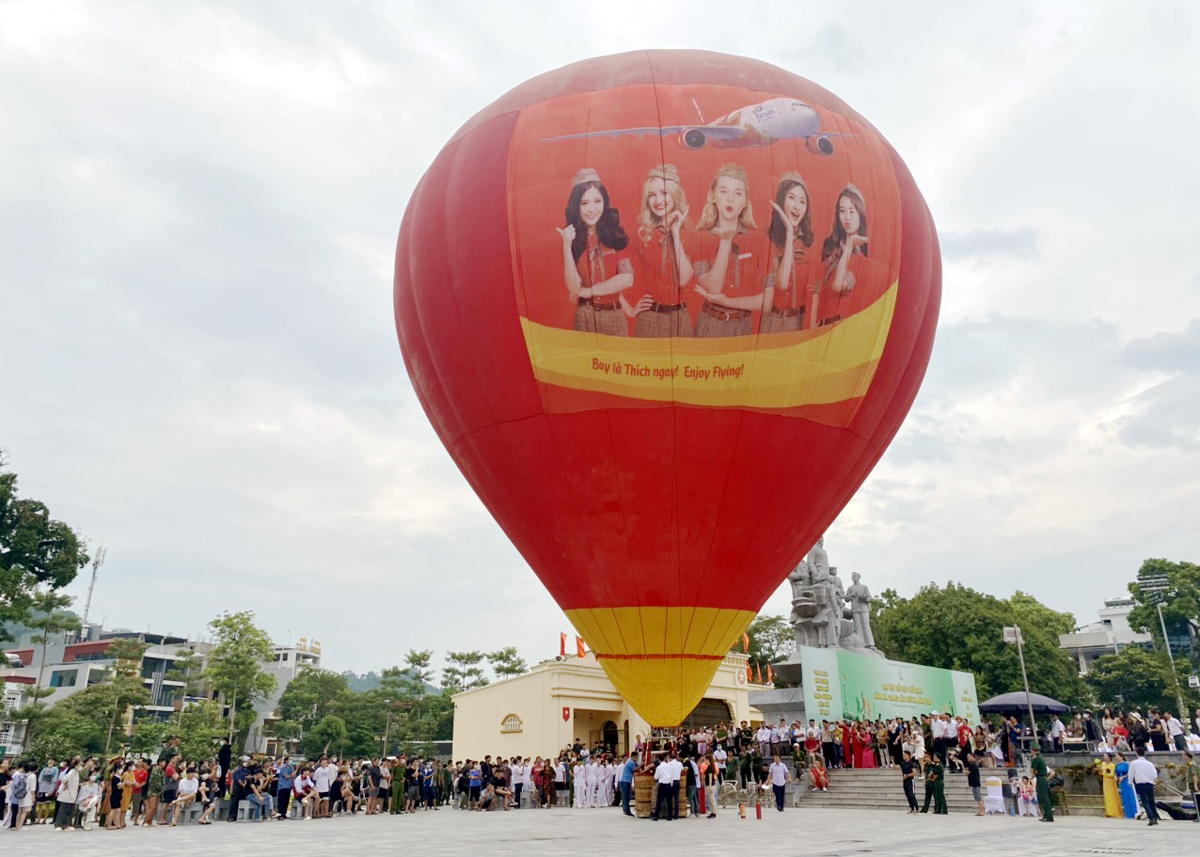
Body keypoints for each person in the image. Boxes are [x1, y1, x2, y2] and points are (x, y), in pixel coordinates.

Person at [692, 163, 769, 337]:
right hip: (710, 324)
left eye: (738, 193)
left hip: (743, 326)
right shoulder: (700, 238)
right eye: (724, 191)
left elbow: (767, 301)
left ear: (744, 202)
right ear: (712, 196)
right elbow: (713, 289)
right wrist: (725, 243)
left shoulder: (760, 240)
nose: (730, 199)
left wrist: (728, 302)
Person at [556, 168, 633, 336]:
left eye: (597, 201)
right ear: (576, 206)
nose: (592, 209)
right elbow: (575, 288)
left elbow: (627, 279)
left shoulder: (616, 235)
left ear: (604, 202)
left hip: (615, 317)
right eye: (584, 203)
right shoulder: (573, 239)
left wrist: (588, 291)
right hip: (585, 316)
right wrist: (566, 246)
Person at [628, 164, 693, 336]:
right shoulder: (643, 234)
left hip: (681, 319)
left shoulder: (688, 233)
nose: (658, 201)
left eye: (664, 193)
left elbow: (684, 279)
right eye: (652, 195)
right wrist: (629, 309)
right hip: (650, 319)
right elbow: (612, 265)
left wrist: (675, 233)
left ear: (675, 194)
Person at [815, 184, 871, 327]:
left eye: (852, 211)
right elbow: (816, 288)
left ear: (860, 214)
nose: (847, 217)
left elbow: (837, 285)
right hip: (818, 325)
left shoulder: (861, 259)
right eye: (842, 211)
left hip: (841, 328)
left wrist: (850, 245)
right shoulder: (829, 247)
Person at [1128, 746, 1159, 825]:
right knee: (1152, 801)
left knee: (1145, 802)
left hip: (1140, 784)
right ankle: (1155, 817)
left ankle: (1151, 817)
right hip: (1150, 784)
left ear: (1136, 754)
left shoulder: (1134, 763)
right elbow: (1154, 775)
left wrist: (1130, 781)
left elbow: (1131, 773)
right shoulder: (1150, 764)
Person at [53, 758, 80, 830]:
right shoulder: (71, 772)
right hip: (67, 793)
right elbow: (64, 779)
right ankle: (59, 824)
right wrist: (65, 786)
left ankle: (68, 824)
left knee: (70, 810)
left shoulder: (76, 773)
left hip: (72, 794)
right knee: (63, 810)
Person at [1030, 744, 1053, 822]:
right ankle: (1046, 815)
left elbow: (1033, 770)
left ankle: (1049, 816)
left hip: (1040, 778)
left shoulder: (1035, 758)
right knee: (1044, 797)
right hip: (1044, 778)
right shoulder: (1041, 757)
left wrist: (1032, 777)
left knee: (1044, 798)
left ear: (1033, 750)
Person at [1099, 753, 1121, 818]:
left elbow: (1111, 774)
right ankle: (1108, 811)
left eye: (1106, 756)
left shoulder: (1112, 765)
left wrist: (1104, 773)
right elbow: (1101, 772)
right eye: (1104, 756)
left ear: (1109, 757)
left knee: (1112, 797)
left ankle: (1114, 811)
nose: (1104, 758)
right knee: (1106, 796)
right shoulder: (1103, 764)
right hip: (1105, 782)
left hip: (1111, 782)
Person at [1183, 751, 1199, 824]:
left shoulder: (1192, 764)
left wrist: (1195, 785)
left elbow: (1194, 775)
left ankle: (1199, 816)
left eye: (1184, 755)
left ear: (1187, 756)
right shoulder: (1190, 764)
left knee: (1197, 801)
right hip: (1193, 784)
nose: (1183, 756)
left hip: (1194, 784)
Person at [619, 752, 636, 816]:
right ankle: (627, 811)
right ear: (632, 756)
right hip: (625, 781)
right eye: (635, 757)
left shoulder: (630, 761)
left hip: (626, 781)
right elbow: (635, 769)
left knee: (626, 796)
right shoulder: (630, 762)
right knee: (626, 796)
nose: (636, 759)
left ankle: (625, 809)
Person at [702, 753, 718, 819]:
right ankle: (712, 811)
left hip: (710, 785)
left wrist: (710, 785)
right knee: (711, 799)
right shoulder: (710, 766)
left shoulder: (710, 767)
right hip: (709, 784)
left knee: (712, 799)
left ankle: (714, 812)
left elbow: (710, 776)